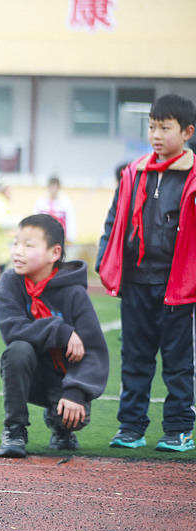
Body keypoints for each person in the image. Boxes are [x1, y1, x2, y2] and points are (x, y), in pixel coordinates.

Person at [96, 93, 196, 453]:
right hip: (136, 283)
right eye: (151, 126)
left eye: (164, 127)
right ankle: (131, 427)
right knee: (135, 359)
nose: (155, 134)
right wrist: (105, 260)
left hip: (177, 287)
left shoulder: (193, 178)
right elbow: (114, 220)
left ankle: (179, 429)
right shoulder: (134, 172)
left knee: (178, 363)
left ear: (187, 132)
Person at [0, 214, 109, 458]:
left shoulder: (74, 294)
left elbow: (93, 350)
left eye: (28, 245)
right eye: (15, 243)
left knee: (74, 418)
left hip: (65, 379)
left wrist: (76, 392)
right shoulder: (10, 282)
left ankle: (60, 425)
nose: (18, 251)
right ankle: (14, 429)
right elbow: (12, 329)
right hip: (30, 373)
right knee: (17, 349)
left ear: (54, 253)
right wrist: (61, 331)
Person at [33, 176, 76, 252]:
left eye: (55, 187)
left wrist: (70, 237)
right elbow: (36, 219)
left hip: (59, 236)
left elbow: (70, 219)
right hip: (44, 236)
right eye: (52, 187)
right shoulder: (41, 201)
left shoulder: (65, 202)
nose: (54, 190)